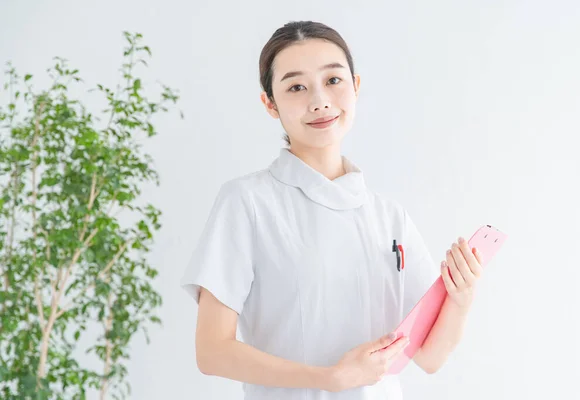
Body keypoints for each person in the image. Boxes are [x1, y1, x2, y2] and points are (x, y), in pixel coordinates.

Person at [180, 20, 485, 400]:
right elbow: (212, 352)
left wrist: (461, 298)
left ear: (355, 86)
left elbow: (428, 356)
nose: (319, 100)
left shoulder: (389, 217)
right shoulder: (247, 202)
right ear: (269, 104)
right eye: (296, 87)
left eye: (333, 81)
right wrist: (328, 377)